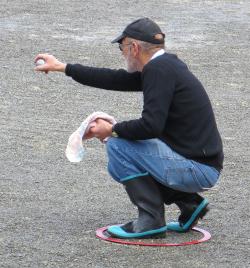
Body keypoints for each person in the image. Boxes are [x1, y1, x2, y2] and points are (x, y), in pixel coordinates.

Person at [35, 18, 224, 239]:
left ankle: (151, 220)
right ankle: (190, 204)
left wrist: (111, 130)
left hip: (198, 169)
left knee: (119, 146)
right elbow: (114, 79)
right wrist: (62, 67)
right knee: (130, 144)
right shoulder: (165, 66)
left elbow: (150, 126)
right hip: (202, 164)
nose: (121, 52)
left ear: (134, 48)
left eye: (122, 47)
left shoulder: (158, 71)